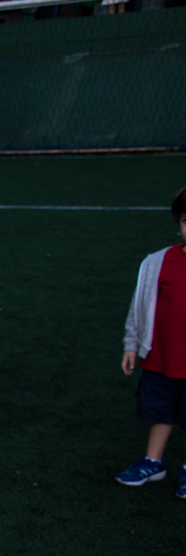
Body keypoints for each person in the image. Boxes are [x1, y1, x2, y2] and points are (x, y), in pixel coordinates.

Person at [115, 187, 186, 500]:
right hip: (162, 358)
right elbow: (139, 306)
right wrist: (132, 343)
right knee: (160, 411)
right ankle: (153, 462)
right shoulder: (159, 262)